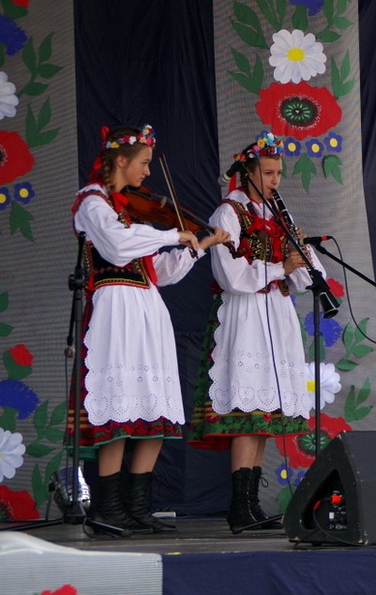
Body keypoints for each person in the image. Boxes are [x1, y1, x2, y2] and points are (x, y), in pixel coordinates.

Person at [68, 124, 231, 536]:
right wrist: (170, 233)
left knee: (154, 403)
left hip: (147, 306)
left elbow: (158, 270)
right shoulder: (93, 202)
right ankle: (107, 508)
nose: (147, 172)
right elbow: (117, 246)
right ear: (120, 160)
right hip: (114, 307)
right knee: (119, 401)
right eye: (142, 163)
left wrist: (197, 247)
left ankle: (137, 507)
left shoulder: (130, 210)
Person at [190, 132, 341, 534]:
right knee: (247, 411)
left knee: (265, 413)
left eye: (278, 173)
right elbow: (230, 274)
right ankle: (239, 506)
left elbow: (304, 278)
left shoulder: (277, 216)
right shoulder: (228, 213)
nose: (275, 180)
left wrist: (301, 260)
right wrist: (280, 268)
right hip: (243, 315)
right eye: (268, 173)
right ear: (248, 173)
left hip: (275, 313)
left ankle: (251, 504)